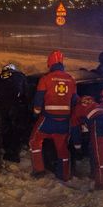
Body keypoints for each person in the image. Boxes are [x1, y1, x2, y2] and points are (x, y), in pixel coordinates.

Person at [30, 50, 77, 180]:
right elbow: (74, 100)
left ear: (50, 63)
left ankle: (39, 171)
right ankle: (64, 175)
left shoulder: (45, 79)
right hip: (64, 121)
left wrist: (36, 113)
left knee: (35, 141)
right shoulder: (70, 79)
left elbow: (38, 99)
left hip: (48, 119)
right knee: (62, 149)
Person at [0, 63, 30, 163]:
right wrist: (27, 109)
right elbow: (27, 94)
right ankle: (14, 153)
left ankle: (8, 152)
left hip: (2, 108)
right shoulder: (20, 76)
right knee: (16, 129)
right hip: (16, 106)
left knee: (6, 130)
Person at [70, 95, 103, 189]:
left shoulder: (76, 110)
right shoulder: (89, 100)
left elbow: (76, 132)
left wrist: (78, 148)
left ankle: (102, 183)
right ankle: (96, 174)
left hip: (97, 121)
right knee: (96, 149)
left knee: (98, 154)